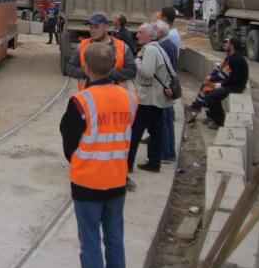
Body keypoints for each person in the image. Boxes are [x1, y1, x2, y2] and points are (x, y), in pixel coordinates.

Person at [60, 42, 137, 268]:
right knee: (115, 240)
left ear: (87, 68)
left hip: (88, 181)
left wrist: (79, 159)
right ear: (113, 65)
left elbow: (69, 141)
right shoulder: (129, 98)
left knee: (91, 243)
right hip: (117, 180)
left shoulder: (81, 101)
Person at [128, 22, 171, 174]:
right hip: (156, 97)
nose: (137, 35)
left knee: (135, 132)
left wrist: (137, 60)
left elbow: (147, 72)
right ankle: (154, 162)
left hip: (149, 98)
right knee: (155, 131)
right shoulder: (158, 47)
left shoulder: (150, 50)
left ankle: (128, 164)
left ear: (149, 35)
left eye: (140, 32)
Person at [65, 13, 135, 91]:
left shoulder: (122, 46)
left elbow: (132, 70)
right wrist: (90, 72)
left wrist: (108, 73)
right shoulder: (82, 46)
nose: (93, 31)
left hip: (115, 96)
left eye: (96, 27)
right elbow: (70, 69)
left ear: (106, 27)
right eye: (91, 28)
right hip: (89, 96)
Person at [190, 35, 248, 128]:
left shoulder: (236, 59)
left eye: (226, 42)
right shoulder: (229, 57)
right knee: (206, 88)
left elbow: (231, 77)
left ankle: (219, 121)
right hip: (230, 83)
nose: (224, 44)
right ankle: (210, 115)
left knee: (212, 96)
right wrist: (210, 78)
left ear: (232, 46)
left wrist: (220, 84)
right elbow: (219, 69)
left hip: (235, 86)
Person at [155, 11, 181, 164]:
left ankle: (165, 153)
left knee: (164, 120)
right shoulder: (170, 41)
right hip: (169, 84)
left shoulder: (164, 45)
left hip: (164, 87)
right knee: (168, 119)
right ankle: (169, 152)